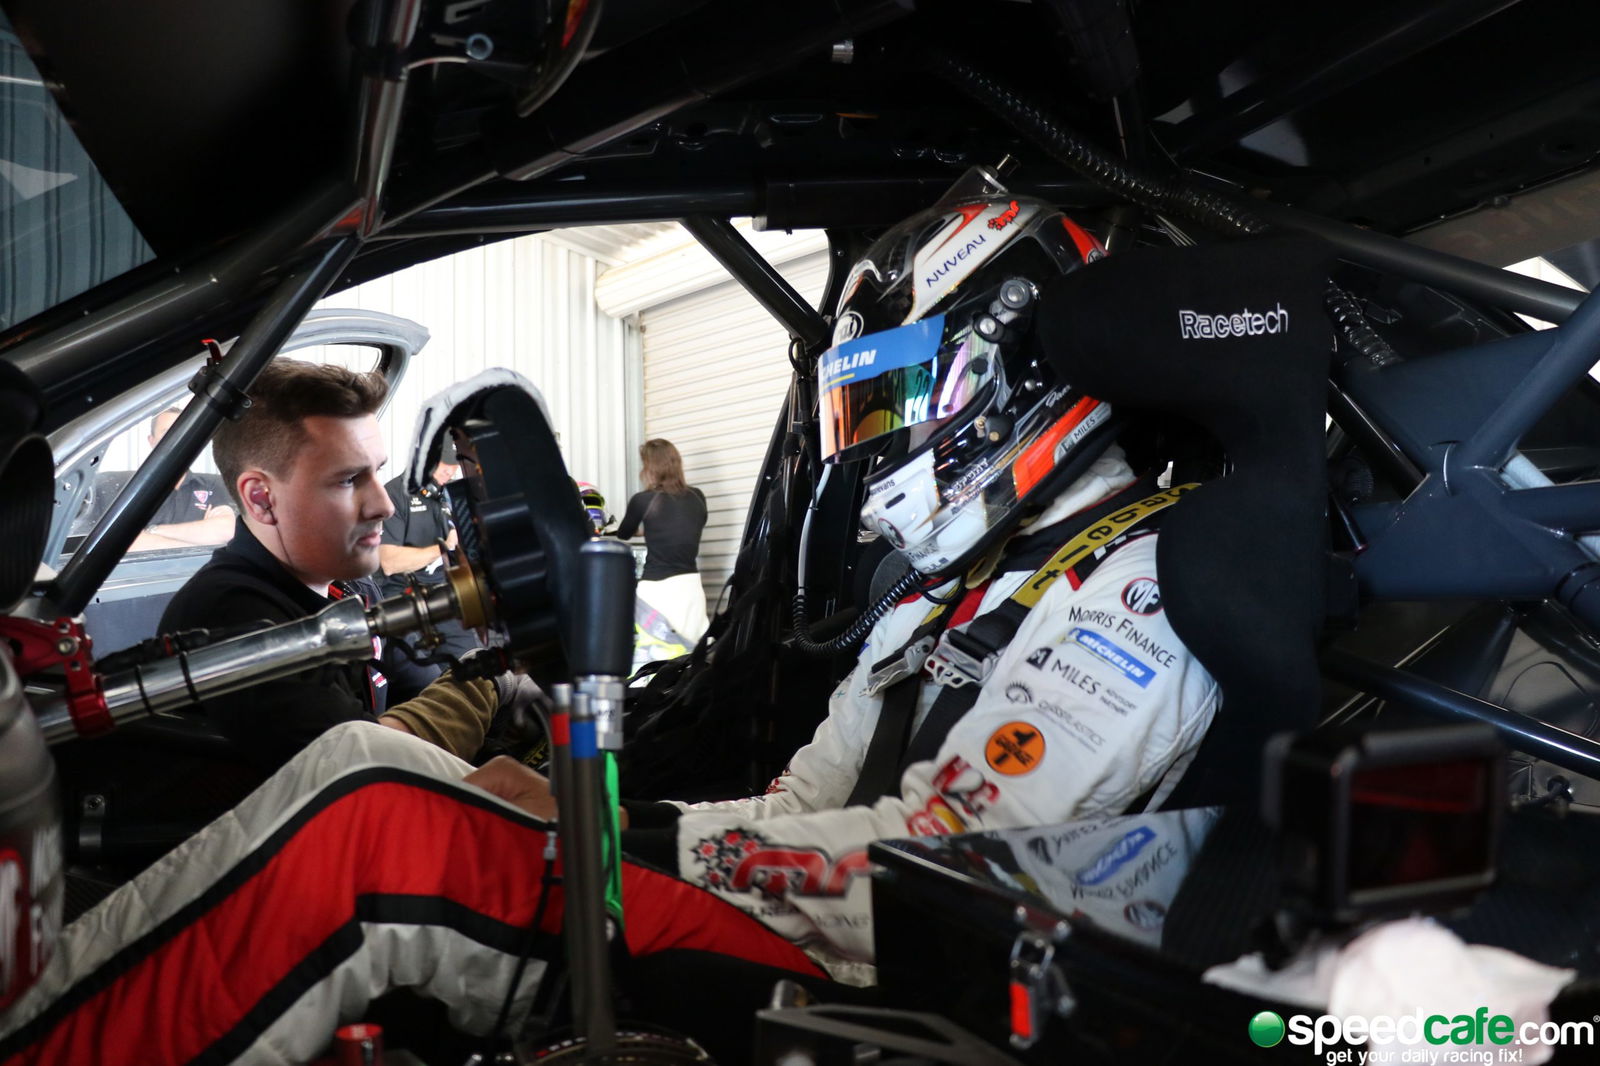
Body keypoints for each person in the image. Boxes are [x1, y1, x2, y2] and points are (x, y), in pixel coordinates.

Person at [0, 184, 1219, 1063]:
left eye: (899, 395)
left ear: (1003, 384)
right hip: (797, 915)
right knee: (366, 758)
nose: (881, 439)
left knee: (382, 831)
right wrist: (607, 817)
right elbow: (801, 806)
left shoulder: (1144, 587)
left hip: (891, 980)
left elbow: (943, 872)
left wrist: (624, 847)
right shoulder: (945, 593)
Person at [159, 359, 509, 774]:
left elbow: (420, 683)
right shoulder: (229, 619)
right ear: (260, 499)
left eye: (377, 472)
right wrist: (491, 685)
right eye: (347, 480)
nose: (384, 505)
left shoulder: (350, 585)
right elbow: (364, 768)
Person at [374, 435, 481, 703]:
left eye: (453, 463)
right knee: (427, 684)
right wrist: (444, 547)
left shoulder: (448, 495)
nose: (450, 469)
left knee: (477, 667)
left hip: (446, 598)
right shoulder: (395, 495)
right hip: (402, 604)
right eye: (443, 463)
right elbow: (388, 561)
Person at [91, 407, 238, 552]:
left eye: (183, 432)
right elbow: (124, 543)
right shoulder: (124, 487)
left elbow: (226, 531)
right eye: (167, 432)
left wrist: (153, 531)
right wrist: (201, 540)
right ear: (152, 441)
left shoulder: (212, 484)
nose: (177, 438)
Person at [614, 439, 708, 643]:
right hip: (691, 588)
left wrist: (645, 531)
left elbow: (623, 533)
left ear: (651, 468)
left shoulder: (643, 500)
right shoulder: (698, 496)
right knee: (693, 658)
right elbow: (688, 528)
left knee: (654, 661)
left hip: (657, 591)